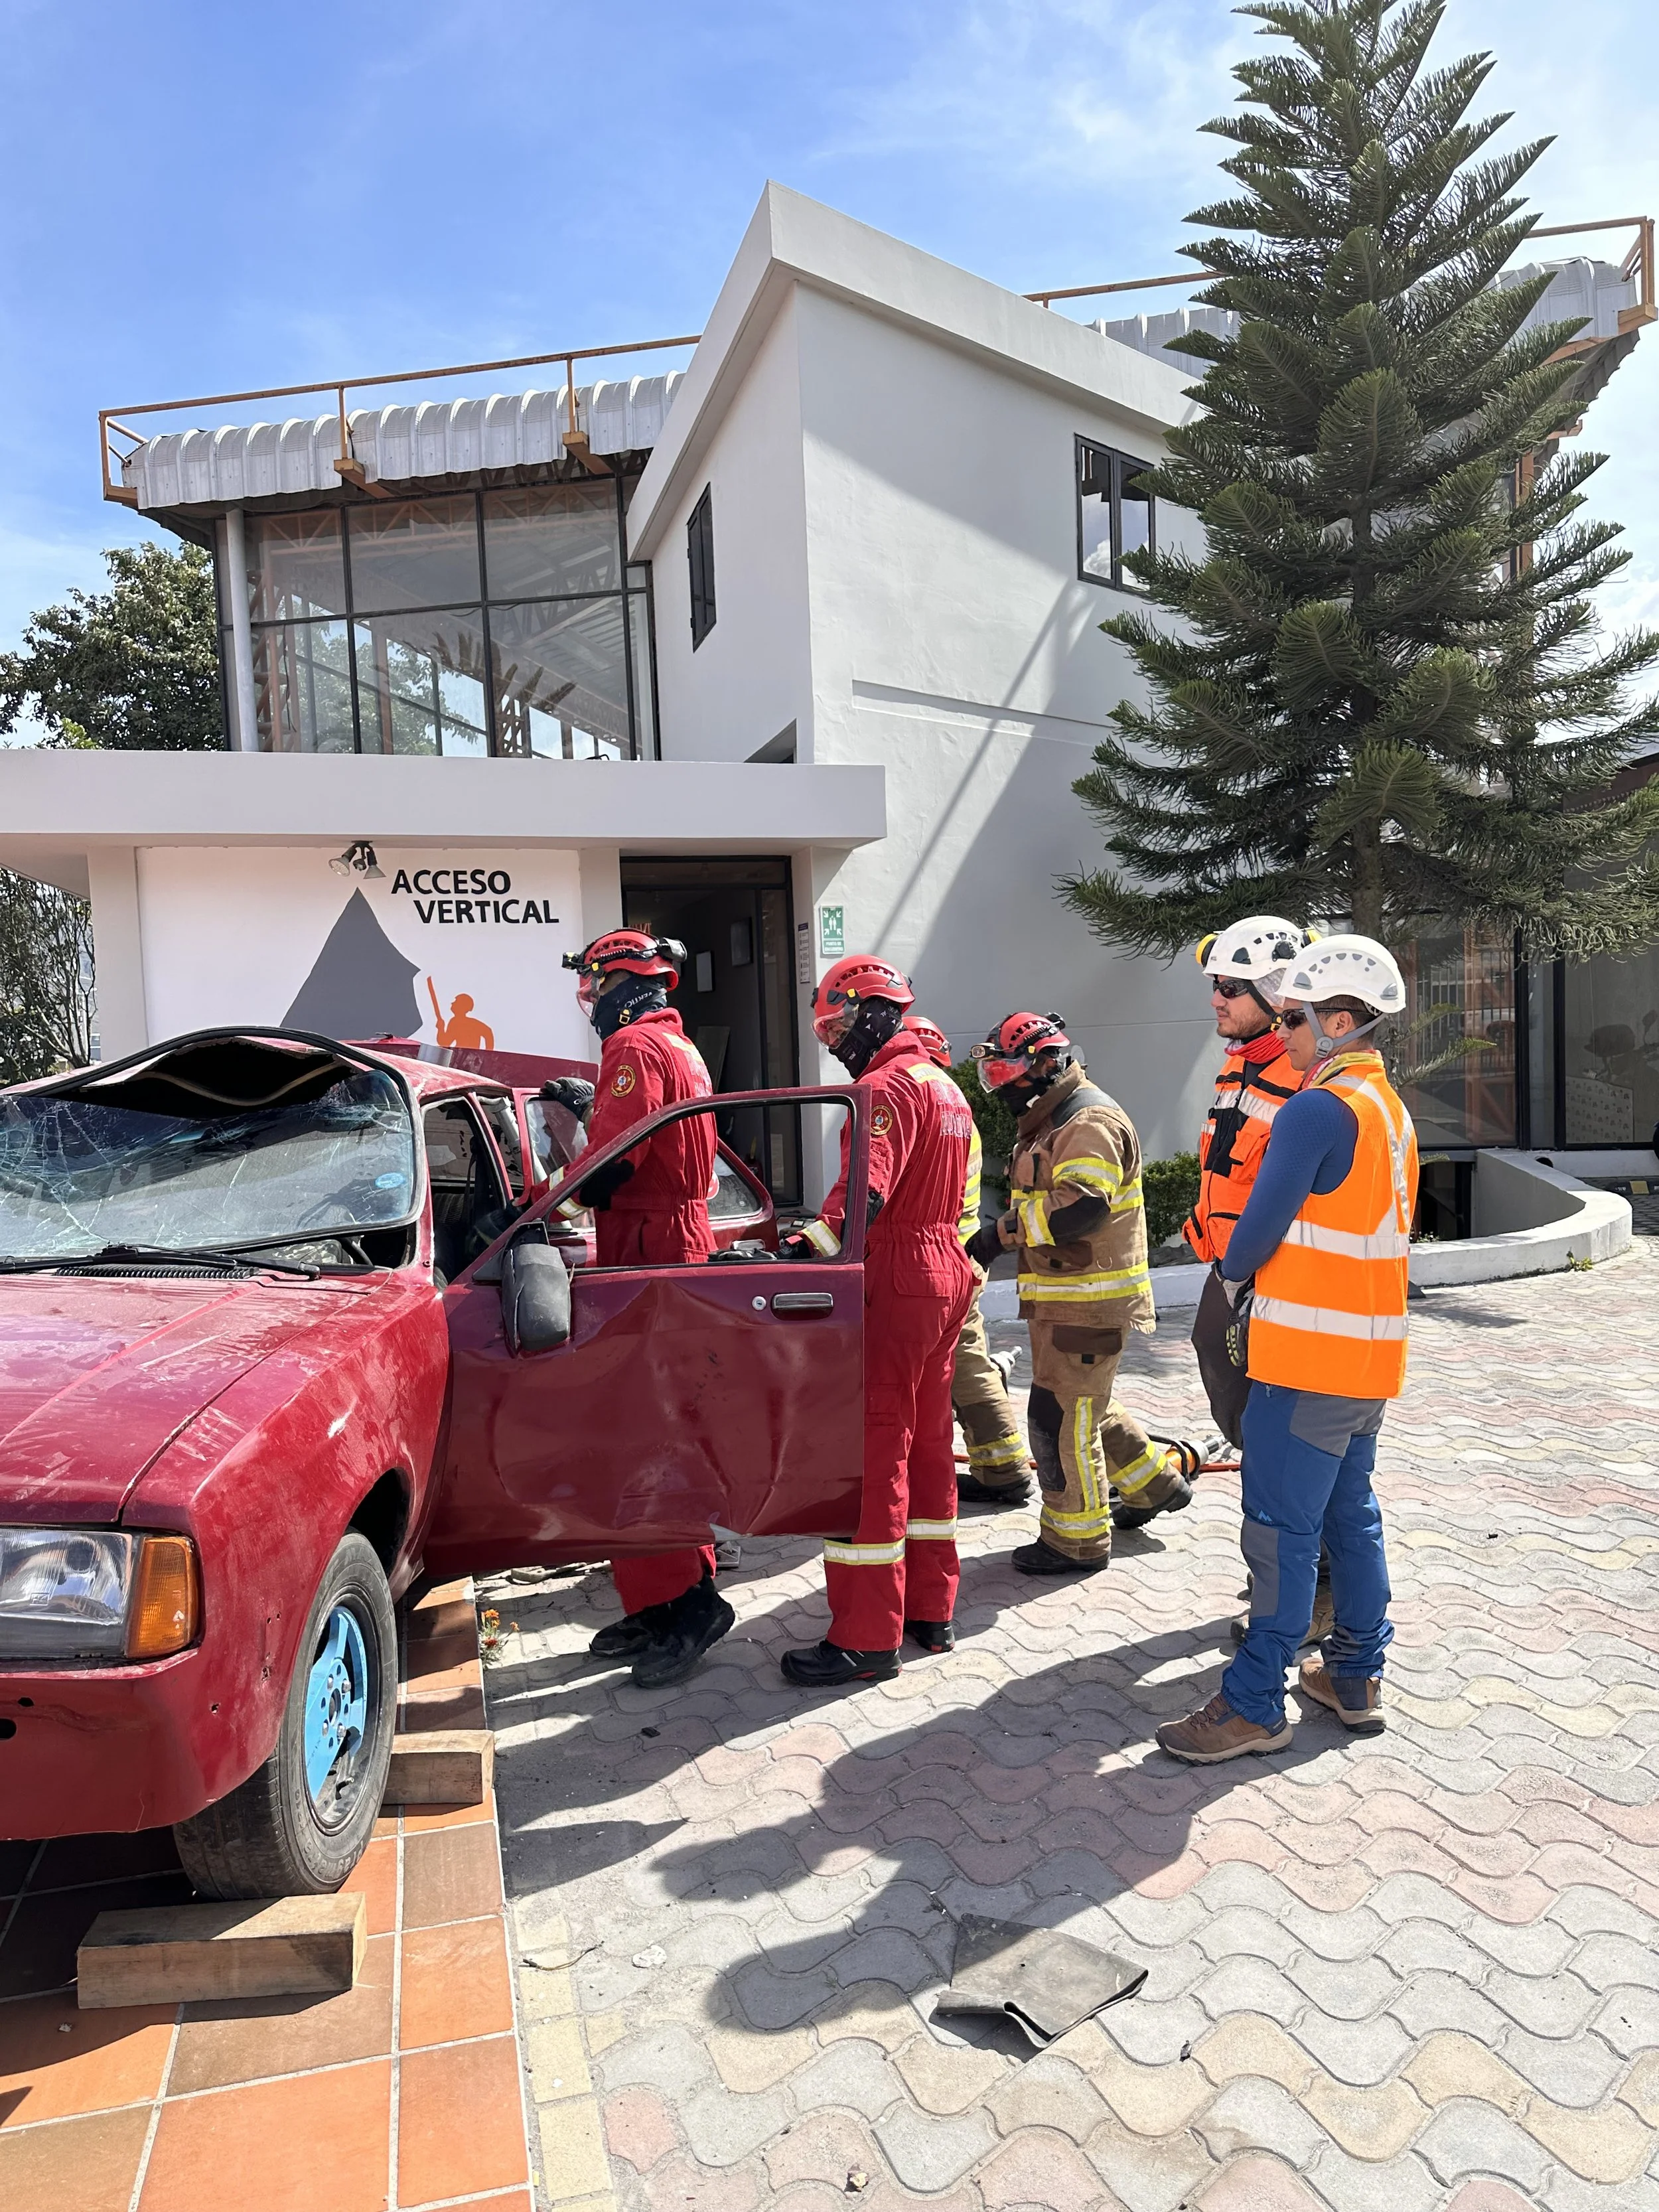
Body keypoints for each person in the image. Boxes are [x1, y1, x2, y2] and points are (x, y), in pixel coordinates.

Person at [1158, 936, 1418, 1763]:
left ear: (1339, 1023)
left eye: (1294, 1019)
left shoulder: (1315, 1109)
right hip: (1366, 1362)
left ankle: (1252, 1706)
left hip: (1304, 1362)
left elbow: (1254, 1229)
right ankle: (1354, 1675)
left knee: (1278, 1535)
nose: (1283, 1032)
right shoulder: (1386, 1107)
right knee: (1351, 1520)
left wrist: (1234, 1275)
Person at [780, 957, 976, 1686]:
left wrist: (800, 1251)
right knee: (927, 1446)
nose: (834, 1043)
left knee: (872, 1455)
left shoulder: (886, 1087)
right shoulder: (943, 1083)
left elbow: (862, 1197)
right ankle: (930, 1609)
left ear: (869, 1011)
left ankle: (865, 1638)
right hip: (944, 1269)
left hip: (896, 1273)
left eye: (837, 1028)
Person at [558, 928, 735, 1689]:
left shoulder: (633, 1047)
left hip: (647, 1246)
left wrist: (538, 1208)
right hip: (669, 1241)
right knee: (656, 1432)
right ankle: (660, 1598)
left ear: (624, 985)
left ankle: (690, 1606)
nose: (591, 1002)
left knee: (644, 1438)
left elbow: (612, 1166)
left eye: (595, 986)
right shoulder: (678, 1044)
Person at [967, 1013, 1201, 1575]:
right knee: (1084, 1402)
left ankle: (1076, 1541)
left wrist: (1000, 1234)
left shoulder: (1088, 1121)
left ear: (1047, 1064)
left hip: (1088, 1303)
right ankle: (1155, 1485)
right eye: (994, 1074)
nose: (1001, 1086)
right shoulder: (1051, 1120)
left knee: (1058, 1417)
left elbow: (1081, 1207)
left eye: (1007, 1073)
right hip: (1066, 1300)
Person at [1183, 918, 1311, 1446]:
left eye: (1231, 987)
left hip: (1271, 1277)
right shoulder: (1237, 1066)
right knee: (1217, 1358)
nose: (1216, 999)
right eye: (1216, 985)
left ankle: (1269, 1469)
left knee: (1274, 1413)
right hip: (1231, 1268)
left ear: (1275, 992)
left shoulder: (1304, 1076)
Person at [902, 1014, 1029, 1507]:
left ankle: (1003, 1470)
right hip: (959, 1257)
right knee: (966, 1362)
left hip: (942, 1260)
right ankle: (1001, 1466)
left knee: (967, 1367)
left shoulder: (929, 1113)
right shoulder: (956, 1113)